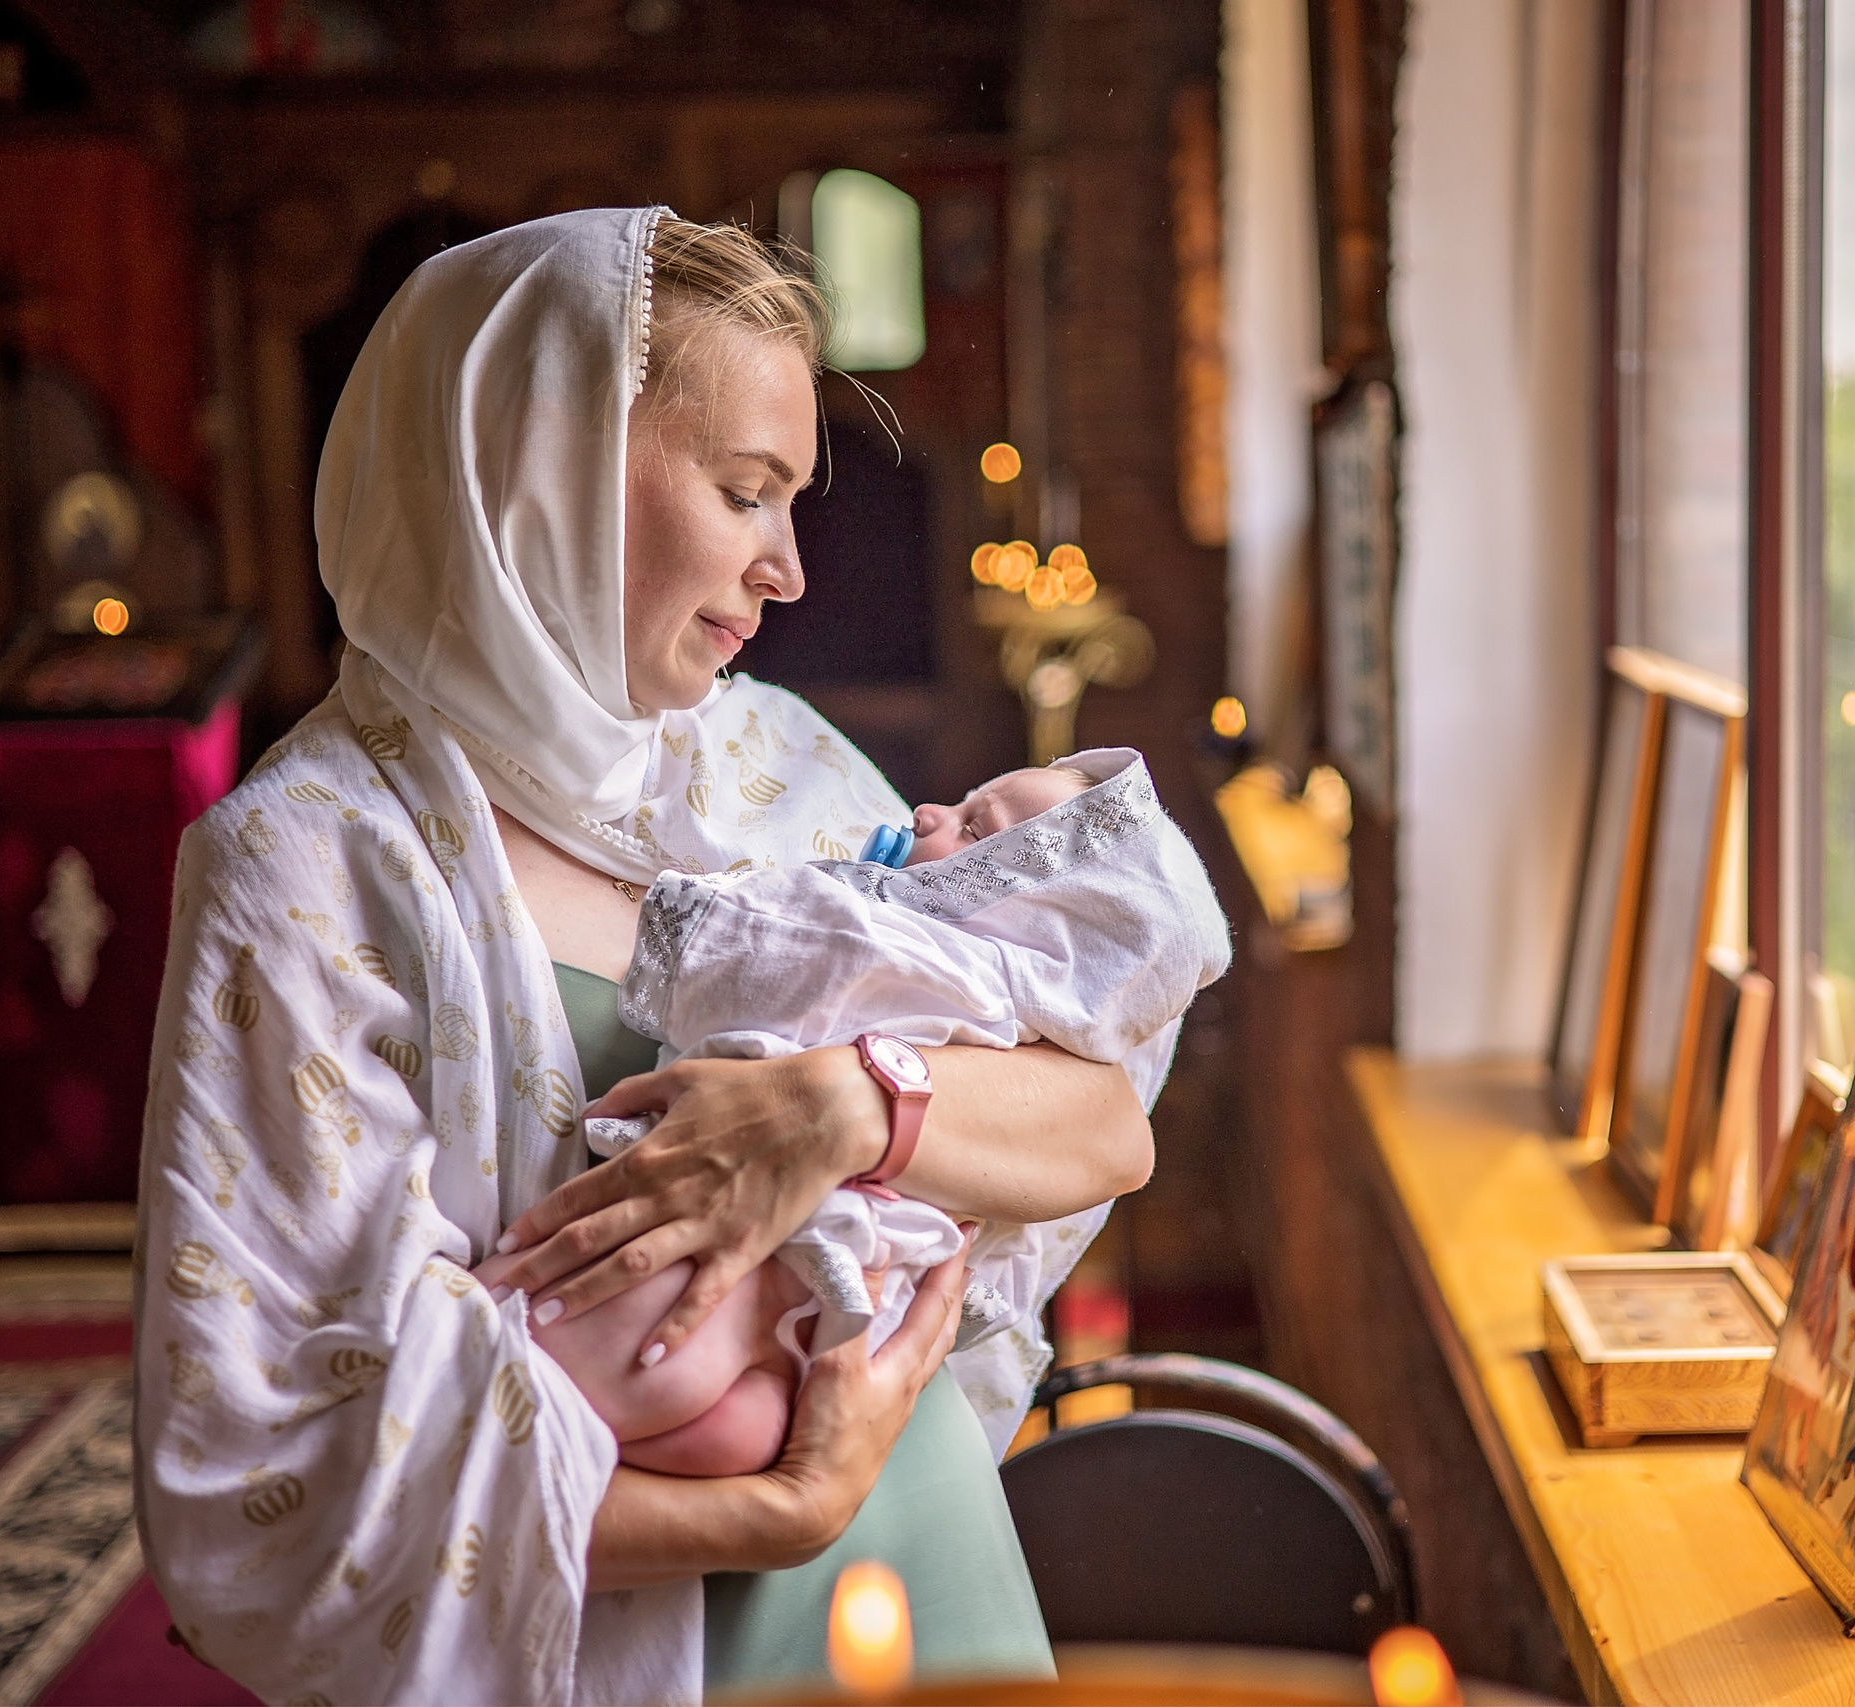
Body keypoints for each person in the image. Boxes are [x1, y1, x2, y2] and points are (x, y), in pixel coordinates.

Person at [134, 208, 1159, 1705]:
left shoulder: (785, 774)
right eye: (747, 491)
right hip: (631, 1620)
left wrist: (844, 1109)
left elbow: (1101, 1115)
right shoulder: (305, 864)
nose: (789, 566)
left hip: (927, 1566)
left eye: (794, 499)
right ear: (538, 467)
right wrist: (781, 1508)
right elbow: (270, 1461)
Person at [504, 746, 1229, 1478]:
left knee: (558, 1352)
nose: (923, 813)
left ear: (1045, 927)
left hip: (769, 1283)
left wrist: (842, 1092)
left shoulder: (925, 954)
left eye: (975, 827)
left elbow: (1121, 1138)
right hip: (836, 1322)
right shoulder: (1003, 1009)